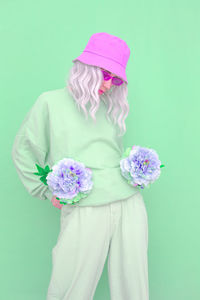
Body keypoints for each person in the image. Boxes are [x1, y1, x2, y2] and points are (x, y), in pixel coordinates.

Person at [11, 32, 149, 300]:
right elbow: (24, 151)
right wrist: (47, 191)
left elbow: (107, 154)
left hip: (130, 201)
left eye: (116, 79)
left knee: (134, 285)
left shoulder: (109, 107)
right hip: (84, 204)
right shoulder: (49, 102)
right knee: (70, 285)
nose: (110, 85)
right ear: (87, 68)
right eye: (106, 75)